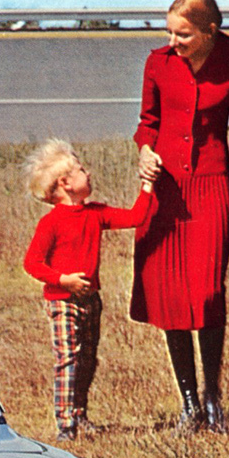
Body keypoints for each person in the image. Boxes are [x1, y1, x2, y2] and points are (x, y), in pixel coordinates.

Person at [132, 0, 229, 434]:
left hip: (211, 187)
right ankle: (188, 403)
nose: (173, 42)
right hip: (166, 190)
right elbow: (147, 123)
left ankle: (212, 399)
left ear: (210, 31)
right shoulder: (158, 63)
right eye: (169, 32)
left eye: (183, 35)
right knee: (171, 296)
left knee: (207, 294)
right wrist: (145, 151)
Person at [22, 139, 157, 441]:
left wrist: (147, 185)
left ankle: (80, 414)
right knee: (67, 359)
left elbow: (136, 217)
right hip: (62, 301)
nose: (89, 173)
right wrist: (63, 280)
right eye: (82, 170)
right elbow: (32, 263)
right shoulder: (50, 223)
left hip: (91, 300)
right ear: (66, 183)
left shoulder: (96, 213)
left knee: (88, 359)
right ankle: (65, 424)